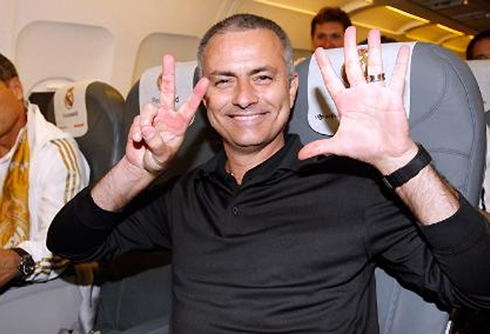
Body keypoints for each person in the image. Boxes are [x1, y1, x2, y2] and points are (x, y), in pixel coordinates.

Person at [47, 14, 490, 333]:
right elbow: (68, 243)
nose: (243, 97)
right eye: (223, 80)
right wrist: (133, 169)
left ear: (292, 89)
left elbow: (479, 289)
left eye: (262, 77)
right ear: (205, 99)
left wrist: (400, 160)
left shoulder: (354, 188)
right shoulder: (188, 192)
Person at [0, 53, 89, 289]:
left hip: (45, 288)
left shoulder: (56, 152)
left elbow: (61, 247)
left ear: (16, 89)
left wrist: (15, 261)